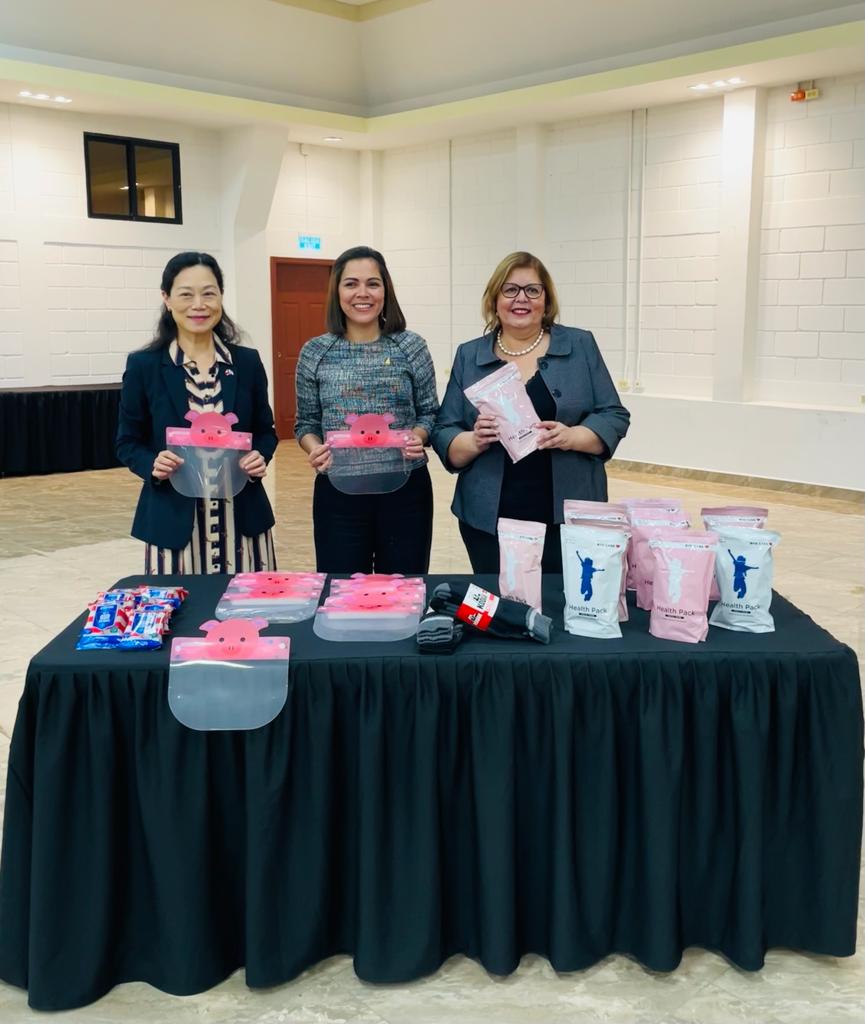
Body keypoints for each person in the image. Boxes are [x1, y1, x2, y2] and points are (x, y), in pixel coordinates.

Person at [431, 251, 630, 573]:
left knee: (562, 598)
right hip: (488, 519)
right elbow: (444, 430)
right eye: (510, 290)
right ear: (494, 299)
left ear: (546, 300)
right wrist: (474, 440)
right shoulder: (469, 355)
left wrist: (572, 436)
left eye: (532, 290)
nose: (521, 298)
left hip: (567, 517)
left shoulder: (579, 345)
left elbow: (613, 415)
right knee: (498, 598)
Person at [116, 251, 278, 573]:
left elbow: (265, 431)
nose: (199, 305)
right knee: (183, 604)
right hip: (174, 526)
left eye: (209, 293)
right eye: (186, 294)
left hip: (242, 522)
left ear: (221, 296)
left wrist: (259, 455)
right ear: (167, 298)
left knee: (246, 605)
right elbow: (127, 441)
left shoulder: (246, 362)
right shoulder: (144, 366)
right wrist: (152, 464)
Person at [295, 245, 439, 574]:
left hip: (406, 492)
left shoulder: (411, 346)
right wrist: (314, 449)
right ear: (337, 292)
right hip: (338, 492)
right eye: (351, 284)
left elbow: (430, 412)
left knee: (404, 588)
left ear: (385, 290)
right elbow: (306, 423)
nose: (363, 293)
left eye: (373, 283)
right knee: (341, 589)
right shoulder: (315, 351)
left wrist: (418, 436)